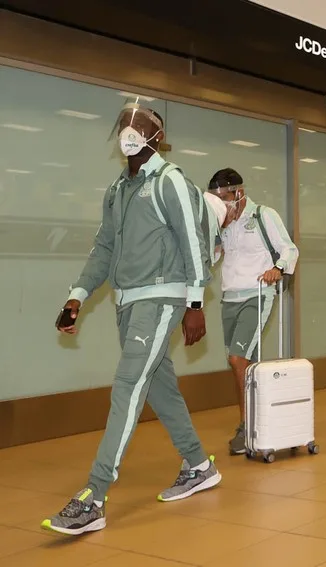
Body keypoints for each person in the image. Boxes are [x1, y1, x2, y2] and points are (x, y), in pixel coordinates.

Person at [46, 101, 219, 535]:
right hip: (127, 302)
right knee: (160, 388)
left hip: (162, 298)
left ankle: (95, 495)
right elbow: (104, 248)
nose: (129, 130)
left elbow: (194, 242)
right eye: (124, 123)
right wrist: (77, 297)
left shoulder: (170, 180)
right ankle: (198, 464)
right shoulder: (117, 190)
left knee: (127, 385)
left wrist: (195, 304)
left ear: (155, 135)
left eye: (138, 125)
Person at [206, 168, 299, 456]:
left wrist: (277, 269)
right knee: (245, 363)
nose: (223, 205)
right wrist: (214, 240)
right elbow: (212, 258)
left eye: (225, 198)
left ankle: (247, 425)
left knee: (238, 359)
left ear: (239, 193)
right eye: (217, 200)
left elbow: (289, 248)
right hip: (229, 298)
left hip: (257, 295)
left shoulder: (263, 215)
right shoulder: (224, 222)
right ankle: (262, 421)